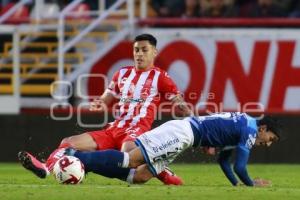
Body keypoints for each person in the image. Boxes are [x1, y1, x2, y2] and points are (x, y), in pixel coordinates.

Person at [18, 33, 193, 185]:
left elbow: (178, 100)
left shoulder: (160, 77)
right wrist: (100, 103)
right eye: (136, 50)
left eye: (144, 50)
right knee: (67, 142)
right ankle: (46, 168)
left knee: (128, 157)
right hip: (113, 129)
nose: (139, 54)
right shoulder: (122, 73)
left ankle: (161, 170)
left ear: (154, 52)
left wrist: (192, 121)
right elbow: (106, 98)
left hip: (136, 130)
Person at [64, 112, 281, 186]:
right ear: (263, 128)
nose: (268, 143)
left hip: (185, 136)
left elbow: (224, 161)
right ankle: (78, 158)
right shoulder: (250, 129)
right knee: (131, 160)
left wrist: (237, 185)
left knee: (141, 176)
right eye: (270, 138)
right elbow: (241, 166)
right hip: (182, 133)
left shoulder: (243, 126)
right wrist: (251, 185)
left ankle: (86, 164)